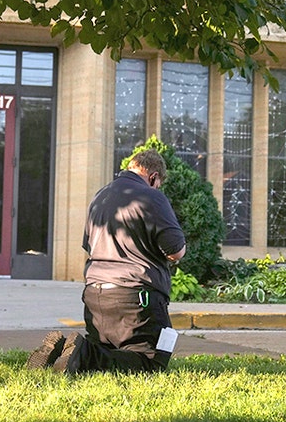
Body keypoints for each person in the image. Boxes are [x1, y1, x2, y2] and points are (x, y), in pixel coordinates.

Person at [27, 149, 186, 374]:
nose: (157, 188)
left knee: (109, 351)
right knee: (150, 363)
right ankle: (84, 355)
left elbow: (88, 245)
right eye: (158, 184)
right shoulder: (151, 196)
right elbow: (176, 252)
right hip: (136, 297)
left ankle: (63, 351)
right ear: (153, 177)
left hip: (95, 296)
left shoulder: (100, 196)